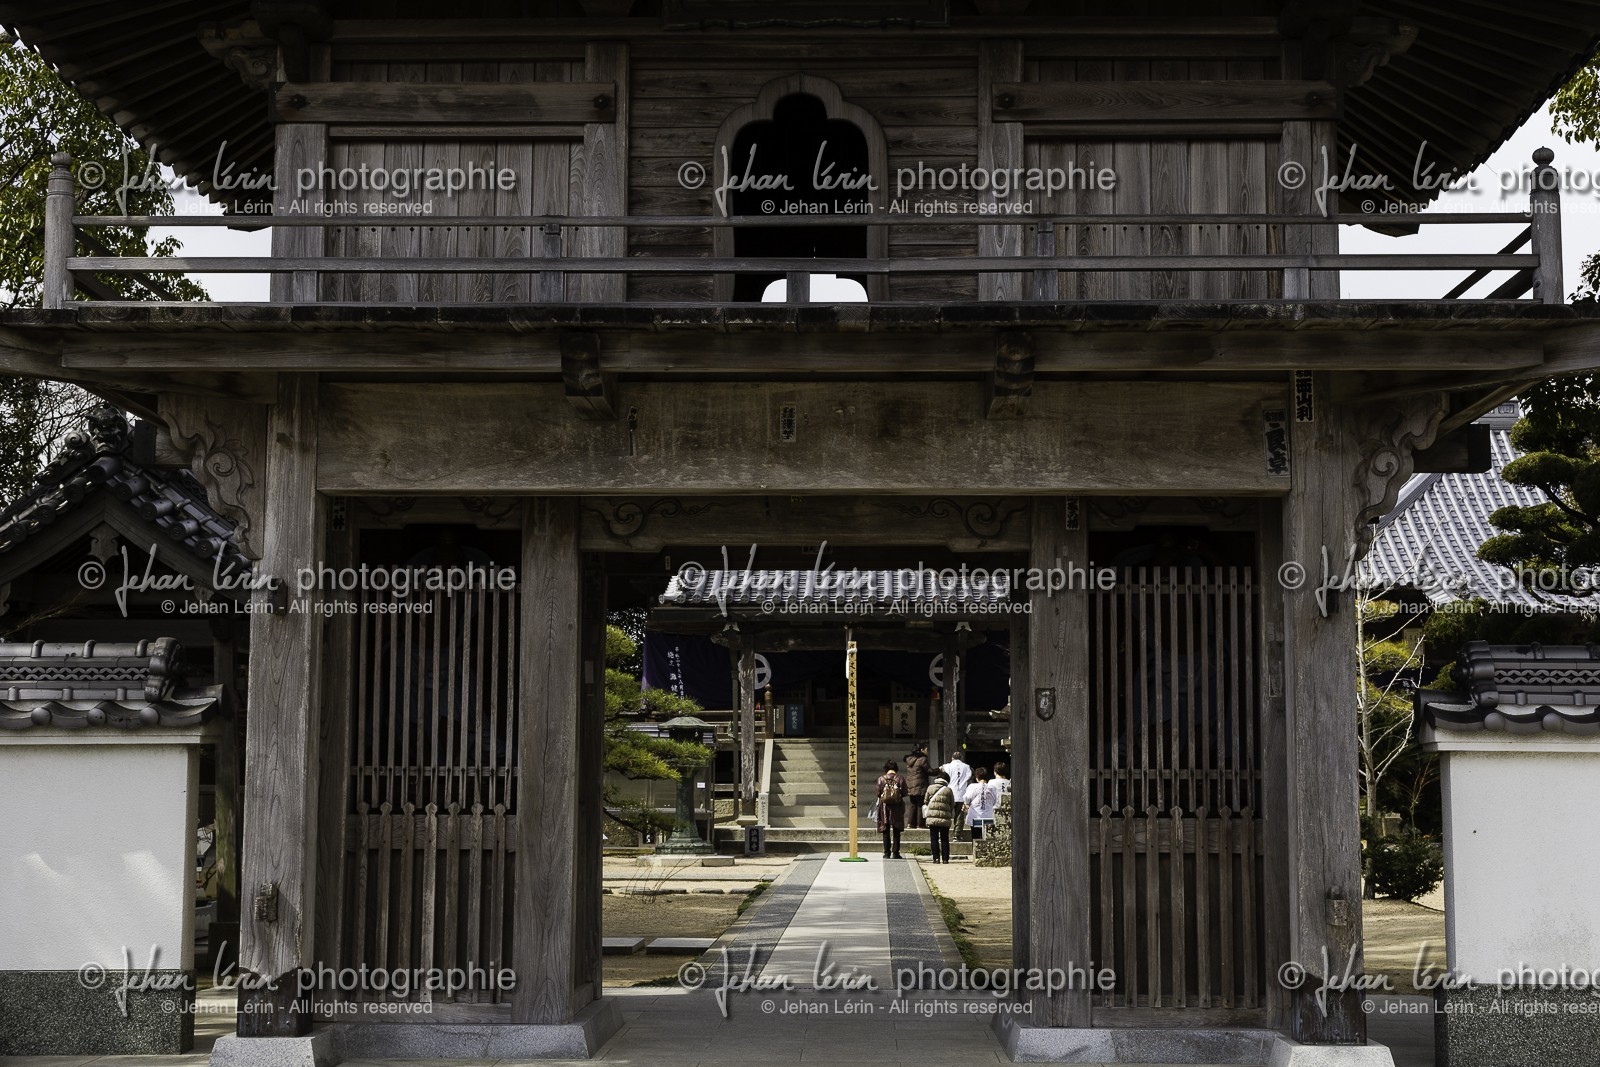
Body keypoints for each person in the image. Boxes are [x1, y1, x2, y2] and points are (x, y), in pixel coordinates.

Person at [876, 758, 906, 859]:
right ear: (896, 768)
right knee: (896, 830)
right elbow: (905, 792)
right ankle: (896, 852)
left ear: (886, 769)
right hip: (897, 806)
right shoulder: (900, 778)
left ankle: (886, 852)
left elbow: (878, 793)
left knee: (886, 830)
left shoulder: (881, 779)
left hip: (884, 807)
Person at [923, 770, 955, 864]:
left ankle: (936, 858)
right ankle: (945, 859)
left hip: (932, 817)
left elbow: (925, 801)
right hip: (945, 818)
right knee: (945, 839)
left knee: (934, 838)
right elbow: (952, 804)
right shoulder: (948, 790)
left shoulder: (930, 788)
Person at [941, 749, 972, 837]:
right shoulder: (967, 767)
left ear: (952, 758)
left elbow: (941, 772)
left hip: (949, 793)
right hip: (961, 794)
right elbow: (969, 776)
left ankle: (943, 835)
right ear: (961, 758)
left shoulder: (947, 766)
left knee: (946, 814)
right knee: (959, 815)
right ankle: (957, 835)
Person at [963, 767, 998, 840]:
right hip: (988, 816)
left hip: (975, 816)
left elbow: (966, 798)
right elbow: (995, 801)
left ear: (977, 777)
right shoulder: (992, 787)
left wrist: (966, 804)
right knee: (987, 839)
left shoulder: (972, 786)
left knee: (975, 838)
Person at [903, 742, 930, 829]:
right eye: (926, 749)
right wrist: (939, 770)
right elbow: (929, 771)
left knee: (913, 804)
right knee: (920, 804)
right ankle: (920, 824)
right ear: (921, 750)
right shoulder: (922, 759)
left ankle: (910, 823)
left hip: (910, 785)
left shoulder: (909, 760)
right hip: (920, 785)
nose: (927, 751)